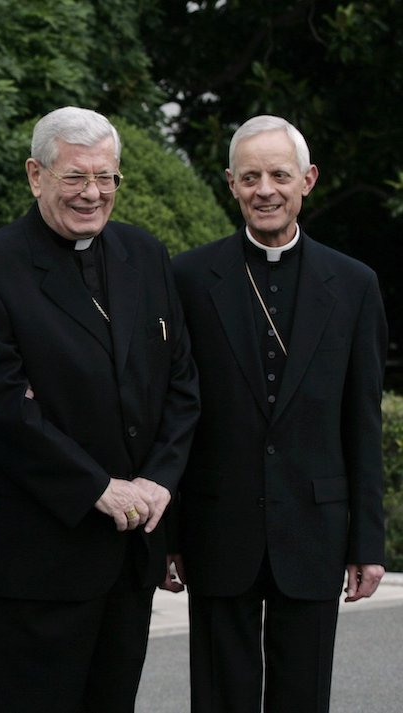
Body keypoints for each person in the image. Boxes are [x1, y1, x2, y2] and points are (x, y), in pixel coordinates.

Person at [0, 106, 200, 713]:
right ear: (36, 175)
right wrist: (99, 488)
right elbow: (5, 409)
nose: (93, 194)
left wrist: (159, 482)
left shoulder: (145, 253)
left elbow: (182, 382)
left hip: (129, 547)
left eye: (107, 177)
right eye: (76, 177)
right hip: (37, 556)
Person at [170, 115, 388, 713]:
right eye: (250, 177)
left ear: (307, 181)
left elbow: (361, 420)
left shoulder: (354, 283)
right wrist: (168, 533)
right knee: (220, 698)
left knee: (303, 696)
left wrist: (367, 541)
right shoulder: (188, 278)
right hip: (218, 527)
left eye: (278, 175)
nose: (265, 189)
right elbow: (174, 416)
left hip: (315, 529)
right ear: (231, 185)